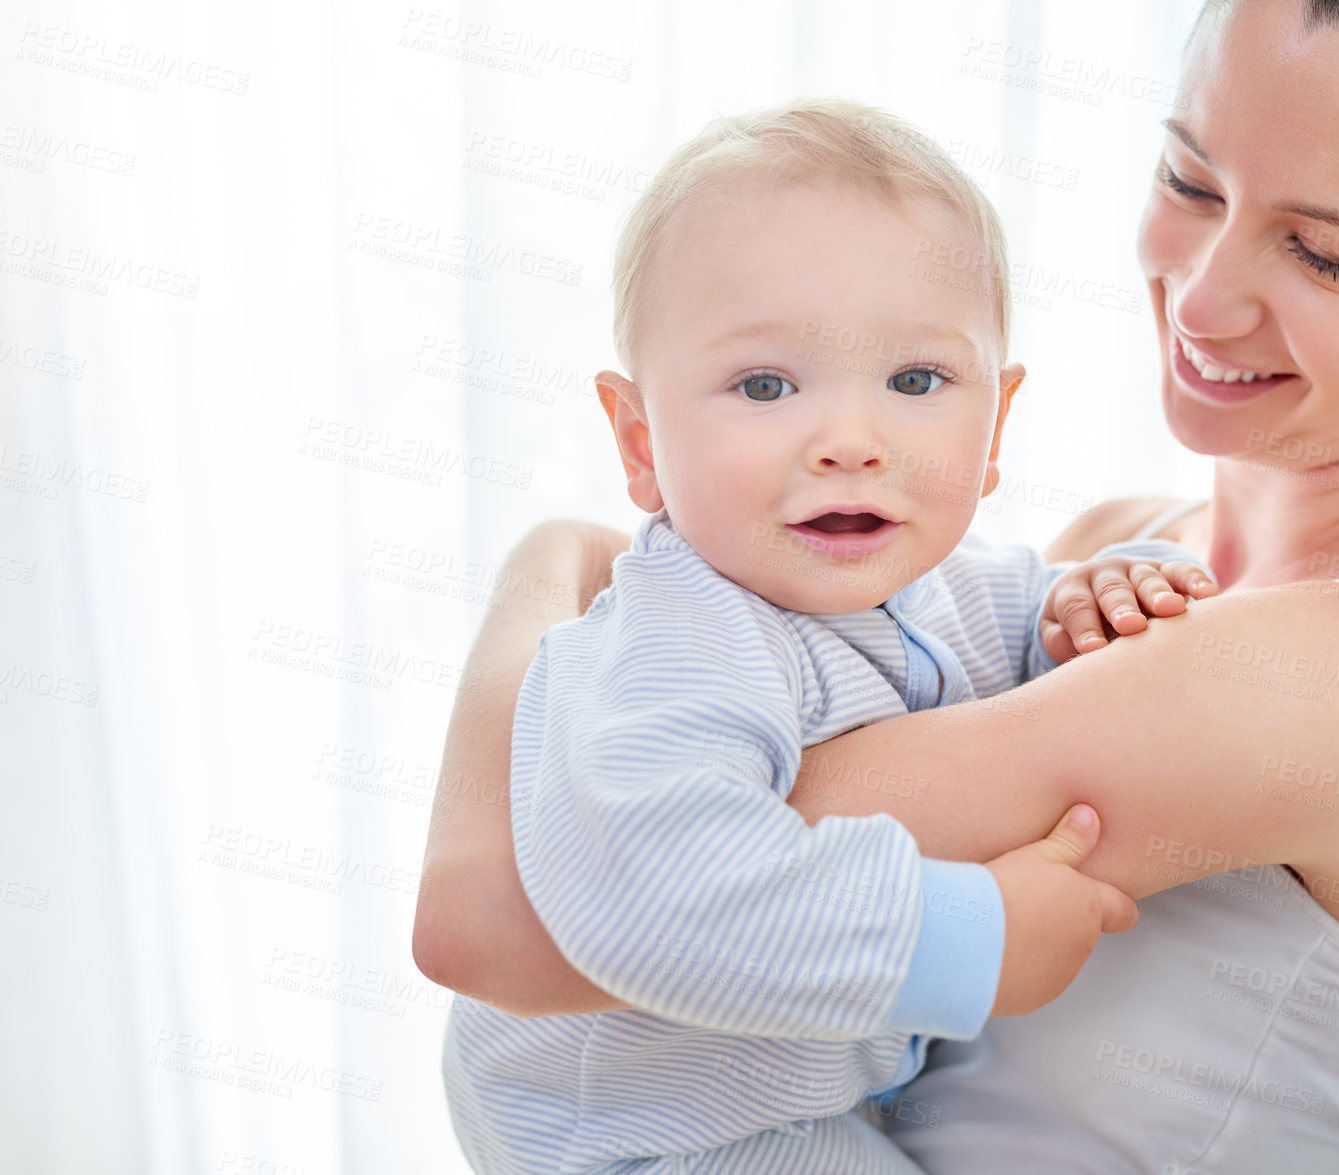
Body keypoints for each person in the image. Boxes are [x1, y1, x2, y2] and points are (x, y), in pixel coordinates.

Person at [415, 0, 1339, 1170]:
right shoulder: (1115, 554)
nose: (1201, 295)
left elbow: (513, 911)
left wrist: (555, 566)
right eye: (1190, 179)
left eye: (1322, 256)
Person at [433, 98, 1215, 1175]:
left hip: (792, 1110)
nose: (851, 439)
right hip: (643, 1138)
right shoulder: (674, 641)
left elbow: (1022, 634)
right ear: (641, 439)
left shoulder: (951, 585)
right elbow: (661, 896)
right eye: (765, 385)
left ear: (996, 424)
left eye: (916, 381)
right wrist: (972, 933)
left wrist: (1098, 597)